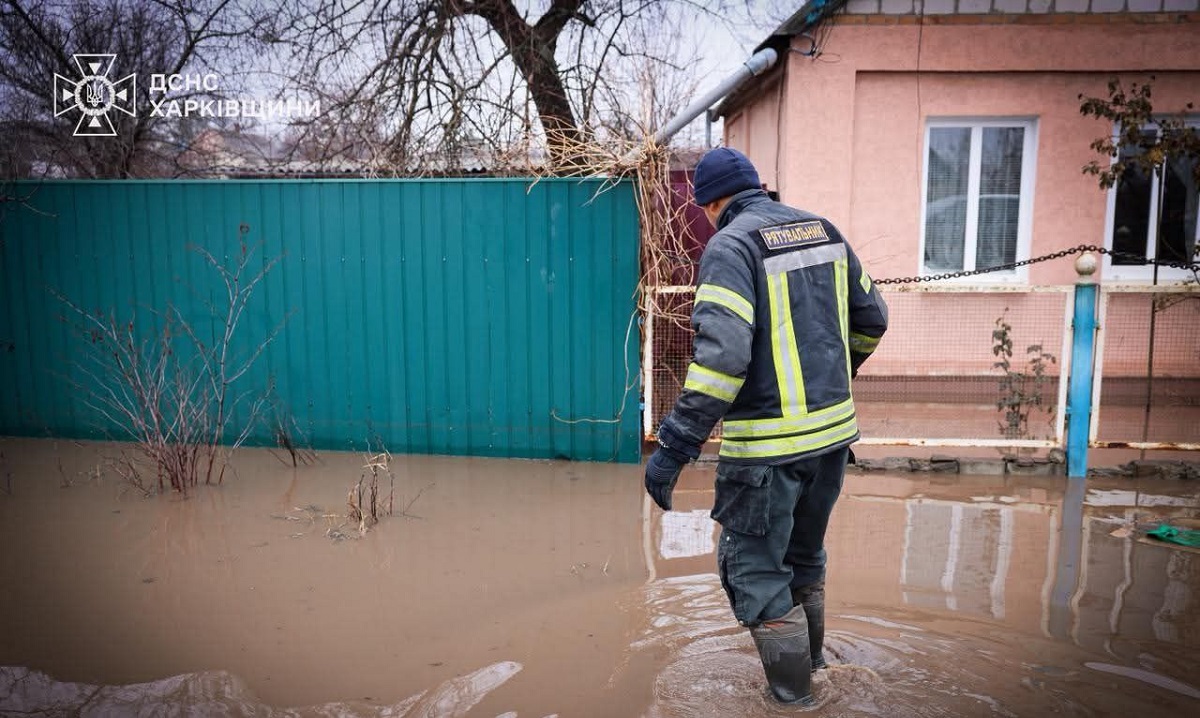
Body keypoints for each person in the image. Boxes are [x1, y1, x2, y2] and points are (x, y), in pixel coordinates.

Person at [644, 147, 888, 706]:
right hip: (832, 441)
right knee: (804, 559)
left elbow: (721, 361)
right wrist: (835, 373)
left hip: (768, 452)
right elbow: (873, 319)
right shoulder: (823, 231)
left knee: (754, 570)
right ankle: (816, 670)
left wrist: (674, 446)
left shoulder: (730, 247)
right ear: (758, 187)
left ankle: (795, 700)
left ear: (710, 206)